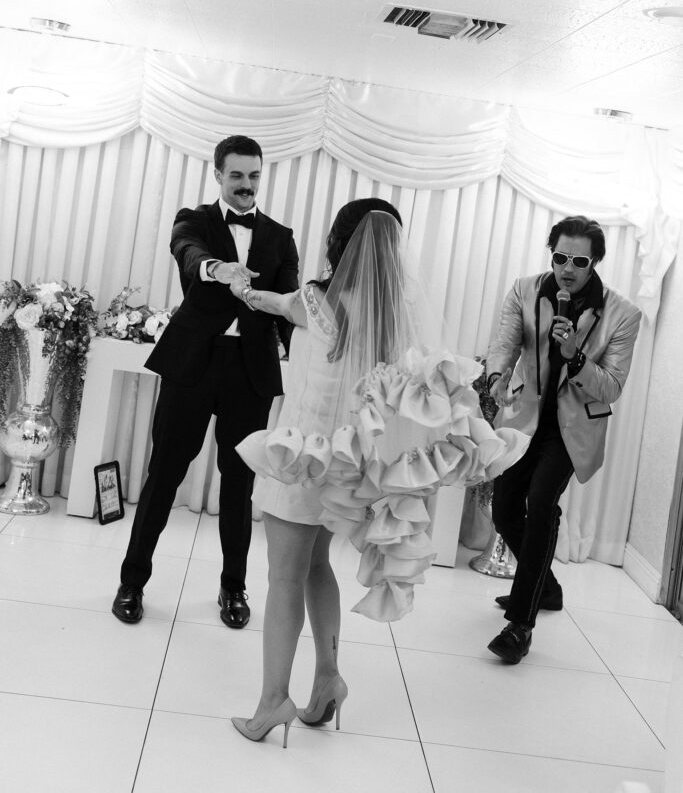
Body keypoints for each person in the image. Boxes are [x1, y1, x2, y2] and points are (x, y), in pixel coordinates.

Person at [227, 198, 526, 747]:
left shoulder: (316, 301)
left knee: (284, 578)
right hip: (348, 471)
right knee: (318, 568)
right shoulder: (399, 319)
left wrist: (238, 284)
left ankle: (273, 701)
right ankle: (328, 679)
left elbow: (265, 300)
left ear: (335, 246)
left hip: (298, 460)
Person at [112, 135, 299, 629]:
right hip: (194, 363)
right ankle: (132, 582)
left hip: (249, 371)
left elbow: (290, 305)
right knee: (164, 475)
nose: (246, 185)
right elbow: (188, 253)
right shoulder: (193, 220)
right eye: (236, 175)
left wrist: (298, 334)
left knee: (239, 485)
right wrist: (218, 269)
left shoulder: (280, 237)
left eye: (254, 175)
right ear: (218, 175)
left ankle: (233, 589)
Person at [485, 214, 642, 664]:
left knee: (540, 503)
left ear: (595, 263)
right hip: (526, 418)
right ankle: (547, 587)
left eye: (579, 260)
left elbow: (611, 386)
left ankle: (520, 625)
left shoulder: (623, 315)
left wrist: (574, 357)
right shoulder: (525, 289)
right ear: (550, 254)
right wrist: (496, 375)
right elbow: (505, 343)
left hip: (573, 430)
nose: (567, 268)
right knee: (503, 510)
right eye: (559, 257)